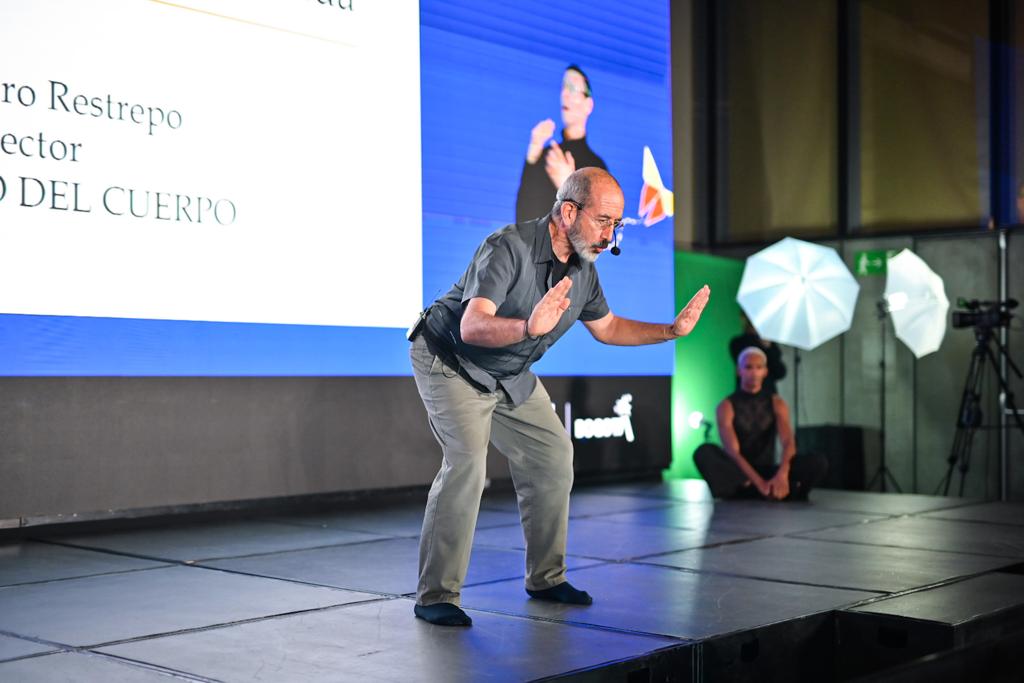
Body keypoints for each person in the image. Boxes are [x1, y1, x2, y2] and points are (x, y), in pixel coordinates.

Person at [409, 167, 711, 626]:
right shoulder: (507, 247)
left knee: (552, 456)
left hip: (509, 372)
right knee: (467, 465)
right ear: (569, 211)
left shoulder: (584, 271)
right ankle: (436, 595)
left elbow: (608, 328)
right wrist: (527, 327)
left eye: (618, 225)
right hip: (451, 360)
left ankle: (546, 578)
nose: (611, 236)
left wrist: (670, 331)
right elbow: (472, 326)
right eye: (605, 221)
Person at [694, 347, 826, 501]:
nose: (754, 373)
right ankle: (764, 491)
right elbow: (733, 452)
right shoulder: (726, 405)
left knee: (818, 460)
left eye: (759, 367)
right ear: (739, 371)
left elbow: (788, 442)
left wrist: (782, 475)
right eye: (748, 367)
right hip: (741, 475)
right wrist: (760, 483)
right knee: (704, 452)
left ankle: (774, 489)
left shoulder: (776, 402)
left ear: (765, 371)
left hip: (769, 470)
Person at [515, 65, 607, 223]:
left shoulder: (597, 169)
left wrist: (569, 187)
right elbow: (522, 220)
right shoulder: (548, 155)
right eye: (563, 87)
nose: (565, 94)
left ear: (589, 105)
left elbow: (596, 231)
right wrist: (532, 157)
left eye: (572, 88)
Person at [728, 312, 786, 395]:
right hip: (745, 396)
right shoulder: (738, 343)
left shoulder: (768, 343)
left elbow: (780, 372)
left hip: (767, 395)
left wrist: (768, 347)